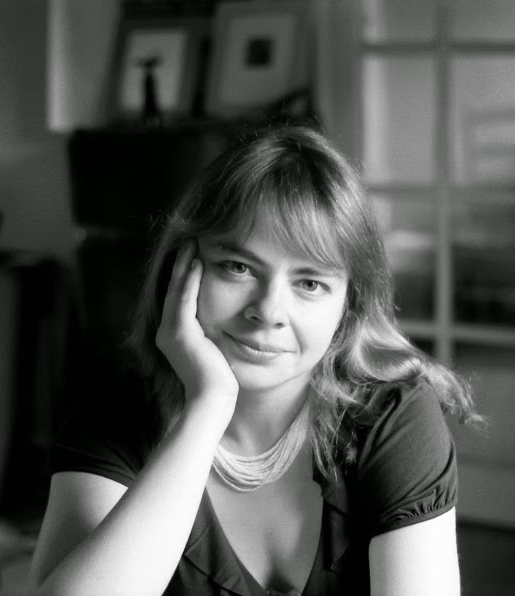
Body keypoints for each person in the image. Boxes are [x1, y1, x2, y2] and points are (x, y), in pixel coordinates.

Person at [30, 123, 480, 595]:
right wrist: (207, 407)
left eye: (310, 283)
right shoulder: (116, 406)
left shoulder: (394, 416)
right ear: (181, 270)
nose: (268, 311)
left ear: (348, 306)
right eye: (238, 267)